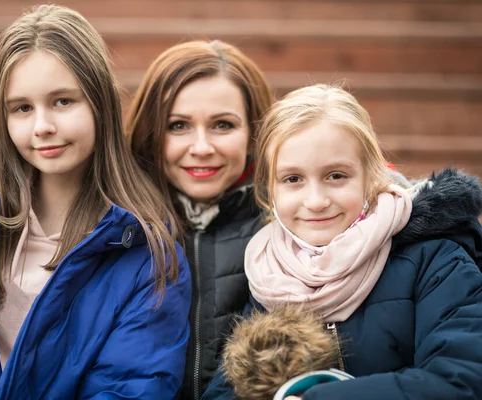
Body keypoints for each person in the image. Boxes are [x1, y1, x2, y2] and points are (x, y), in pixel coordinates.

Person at [0, 5, 191, 399]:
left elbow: (128, 388)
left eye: (63, 101)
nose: (42, 126)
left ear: (100, 102)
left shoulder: (146, 252)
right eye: (23, 108)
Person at [203, 84, 482, 399]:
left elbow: (462, 380)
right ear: (271, 189)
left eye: (336, 176)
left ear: (370, 177)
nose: (316, 200)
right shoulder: (269, 274)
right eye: (292, 179)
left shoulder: (436, 260)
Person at [125, 40, 275, 399]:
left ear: (255, 135)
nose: (202, 147)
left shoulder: (291, 226)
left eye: (223, 125)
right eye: (178, 126)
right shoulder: (117, 228)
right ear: (150, 133)